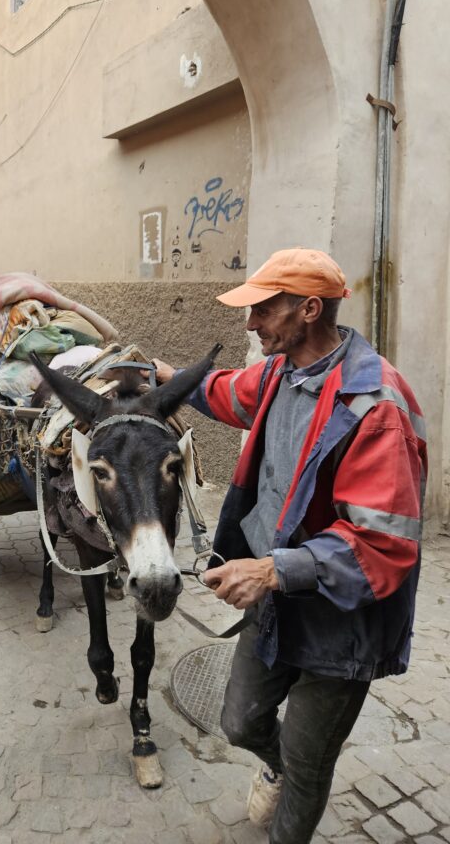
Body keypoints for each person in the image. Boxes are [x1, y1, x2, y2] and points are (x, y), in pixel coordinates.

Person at [153, 248, 426, 844]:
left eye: (263, 310)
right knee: (240, 721)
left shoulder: (374, 406)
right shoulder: (280, 375)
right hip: (276, 600)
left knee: (308, 766)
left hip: (342, 623)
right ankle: (270, 762)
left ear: (308, 309)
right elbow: (230, 394)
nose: (250, 324)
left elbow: (382, 545)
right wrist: (165, 379)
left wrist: (273, 571)